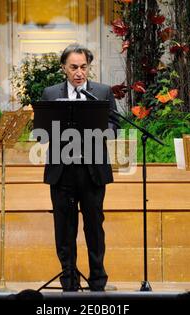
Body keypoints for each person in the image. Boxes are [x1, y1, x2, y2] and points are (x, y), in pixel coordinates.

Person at [41, 43, 119, 291]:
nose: (79, 72)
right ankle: (69, 280)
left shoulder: (103, 92)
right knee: (64, 229)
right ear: (64, 67)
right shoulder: (51, 93)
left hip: (92, 170)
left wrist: (97, 131)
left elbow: (115, 126)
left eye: (84, 67)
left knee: (94, 226)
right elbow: (41, 134)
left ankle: (98, 280)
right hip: (62, 170)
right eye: (74, 67)